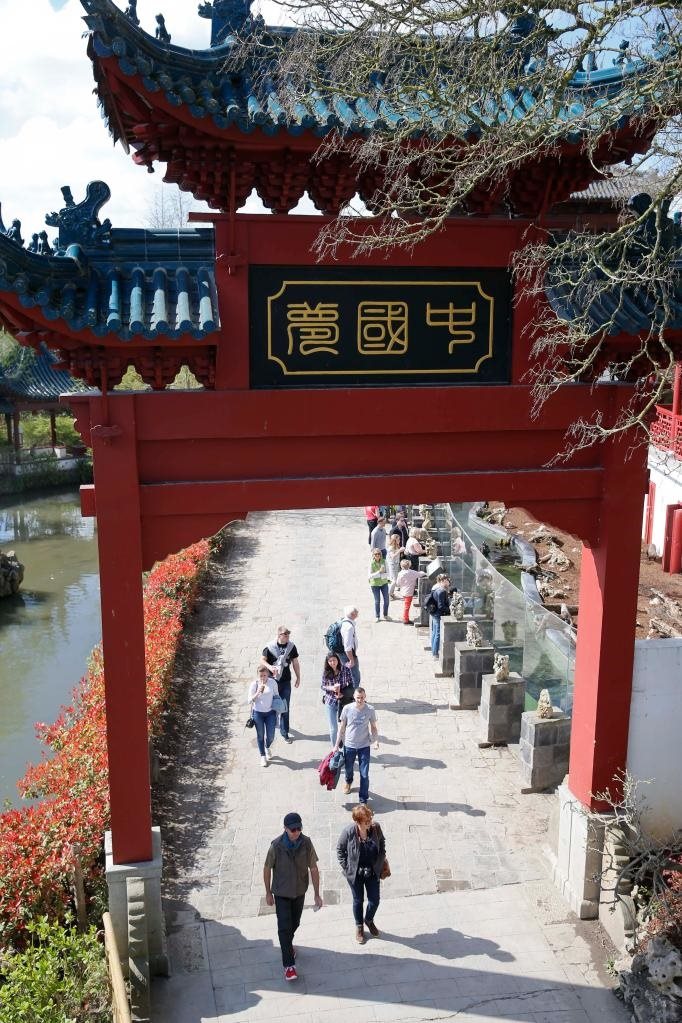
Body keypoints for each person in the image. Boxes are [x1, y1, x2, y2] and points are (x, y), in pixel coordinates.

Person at [263, 812, 323, 981]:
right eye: (293, 829)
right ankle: (289, 966)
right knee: (284, 928)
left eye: (299, 828)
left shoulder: (307, 843)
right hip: (281, 893)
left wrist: (317, 894)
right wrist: (268, 892)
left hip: (299, 892)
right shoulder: (275, 846)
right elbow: (267, 869)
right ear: (285, 829)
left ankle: (287, 946)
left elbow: (314, 868)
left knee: (294, 924)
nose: (296, 832)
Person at [337, 804, 387, 944]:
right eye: (366, 821)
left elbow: (382, 842)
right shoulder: (348, 832)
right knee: (358, 901)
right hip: (356, 874)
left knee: (375, 900)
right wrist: (347, 868)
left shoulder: (375, 828)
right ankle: (359, 926)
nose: (369, 822)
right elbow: (340, 850)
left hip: (372, 872)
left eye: (370, 818)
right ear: (357, 822)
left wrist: (381, 857)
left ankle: (369, 920)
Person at [335, 687, 378, 804]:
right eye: (358, 698)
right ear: (354, 697)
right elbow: (342, 727)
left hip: (364, 745)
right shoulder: (347, 709)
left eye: (362, 698)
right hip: (349, 745)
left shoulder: (370, 709)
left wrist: (376, 740)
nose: (360, 700)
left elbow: (373, 727)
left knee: (364, 773)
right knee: (349, 768)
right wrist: (336, 745)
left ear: (365, 697)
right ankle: (348, 781)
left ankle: (363, 799)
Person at [261, 626, 300, 743]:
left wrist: (298, 677)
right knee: (270, 706)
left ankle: (285, 732)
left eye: (288, 634)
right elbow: (262, 660)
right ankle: (270, 729)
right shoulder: (270, 647)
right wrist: (269, 667)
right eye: (285, 634)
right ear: (279, 635)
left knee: (285, 707)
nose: (287, 636)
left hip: (285, 681)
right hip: (272, 682)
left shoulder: (291, 647)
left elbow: (295, 662)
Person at [320, 652, 354, 746]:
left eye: (334, 660)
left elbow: (351, 683)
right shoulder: (325, 672)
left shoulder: (345, 669)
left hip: (343, 702)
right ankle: (335, 749)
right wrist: (331, 688)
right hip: (330, 701)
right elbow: (323, 686)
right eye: (330, 661)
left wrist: (343, 693)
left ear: (338, 660)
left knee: (344, 726)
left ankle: (346, 748)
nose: (332, 663)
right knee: (333, 728)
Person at [247, 666, 278, 767]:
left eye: (264, 675)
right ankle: (262, 756)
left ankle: (267, 746)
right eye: (260, 676)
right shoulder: (254, 684)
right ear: (258, 675)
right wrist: (257, 692)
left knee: (271, 736)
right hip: (258, 713)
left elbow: (276, 696)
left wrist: (279, 709)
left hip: (270, 713)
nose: (262, 678)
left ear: (268, 674)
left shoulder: (272, 682)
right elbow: (249, 700)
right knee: (260, 735)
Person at [395, 557, 426, 625]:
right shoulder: (412, 572)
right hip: (409, 592)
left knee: (406, 605)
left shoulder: (400, 573)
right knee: (407, 606)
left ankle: (405, 617)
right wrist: (425, 572)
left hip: (403, 591)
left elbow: (397, 584)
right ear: (409, 565)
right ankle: (405, 619)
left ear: (401, 566)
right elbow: (420, 574)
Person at [428, 572, 452, 658]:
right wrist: (450, 610)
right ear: (443, 581)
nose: (448, 582)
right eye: (447, 580)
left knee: (435, 632)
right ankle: (435, 654)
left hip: (434, 613)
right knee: (438, 633)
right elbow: (441, 606)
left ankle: (433, 650)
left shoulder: (437, 589)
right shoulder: (441, 591)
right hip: (438, 614)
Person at [340, 606, 361, 687]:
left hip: (342, 652)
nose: (358, 614)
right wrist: (351, 660)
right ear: (353, 614)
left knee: (349, 673)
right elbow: (347, 646)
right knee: (356, 676)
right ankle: (356, 695)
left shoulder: (344, 621)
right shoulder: (349, 627)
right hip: (348, 654)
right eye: (357, 613)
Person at [368, 548, 390, 622]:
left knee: (386, 600)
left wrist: (380, 575)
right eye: (376, 554)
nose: (377, 555)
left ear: (381, 555)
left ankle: (385, 614)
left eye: (379, 554)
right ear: (373, 555)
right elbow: (370, 576)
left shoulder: (384, 562)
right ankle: (377, 616)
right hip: (375, 585)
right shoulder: (371, 563)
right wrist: (379, 572)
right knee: (377, 601)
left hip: (384, 583)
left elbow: (388, 573)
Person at [385, 532, 403, 599]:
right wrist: (400, 550)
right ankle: (389, 594)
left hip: (395, 564)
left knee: (393, 580)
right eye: (398, 540)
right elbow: (392, 556)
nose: (400, 541)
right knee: (394, 580)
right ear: (395, 540)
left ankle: (391, 593)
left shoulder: (396, 546)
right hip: (392, 565)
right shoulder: (391, 548)